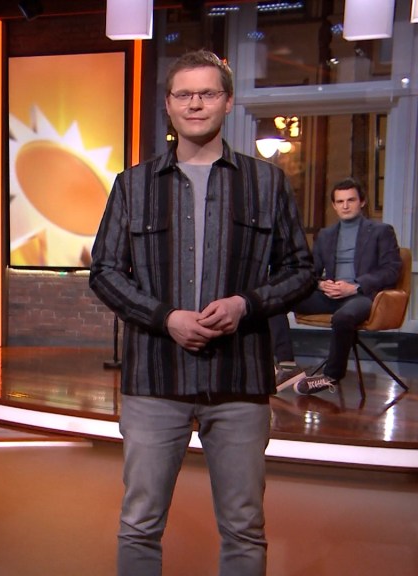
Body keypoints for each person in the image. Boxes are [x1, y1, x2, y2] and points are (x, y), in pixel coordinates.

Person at [89, 50, 314, 576]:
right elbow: (104, 271)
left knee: (244, 527)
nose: (196, 103)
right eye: (184, 94)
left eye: (208, 93)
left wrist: (245, 304)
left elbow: (301, 270)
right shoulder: (133, 185)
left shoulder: (266, 183)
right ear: (168, 105)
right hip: (154, 380)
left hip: (239, 380)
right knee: (139, 524)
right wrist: (165, 317)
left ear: (228, 102)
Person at [269, 177, 402, 395]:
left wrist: (355, 286)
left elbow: (391, 270)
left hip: (362, 296)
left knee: (343, 317)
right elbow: (310, 270)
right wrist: (321, 284)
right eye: (340, 202)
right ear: (334, 205)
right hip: (330, 295)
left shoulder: (381, 231)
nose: (345, 206)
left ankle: (331, 376)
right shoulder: (325, 235)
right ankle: (287, 366)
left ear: (362, 202)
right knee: (275, 302)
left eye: (351, 200)